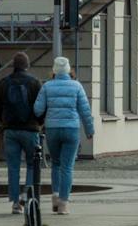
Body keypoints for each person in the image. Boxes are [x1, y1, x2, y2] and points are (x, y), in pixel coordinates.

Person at [32, 56, 94, 215]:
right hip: (71, 129)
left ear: (54, 71)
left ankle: (55, 196)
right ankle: (63, 204)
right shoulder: (77, 86)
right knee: (67, 167)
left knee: (56, 163)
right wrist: (89, 130)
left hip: (52, 129)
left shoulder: (47, 87)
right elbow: (85, 111)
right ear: (69, 70)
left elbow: (38, 109)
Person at [0, 51, 42, 214]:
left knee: (13, 167)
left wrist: (3, 121)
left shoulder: (3, 83)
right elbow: (41, 107)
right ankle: (27, 197)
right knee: (32, 165)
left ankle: (14, 203)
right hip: (30, 129)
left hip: (10, 130)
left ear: (13, 65)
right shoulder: (35, 83)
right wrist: (39, 123)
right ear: (27, 65)